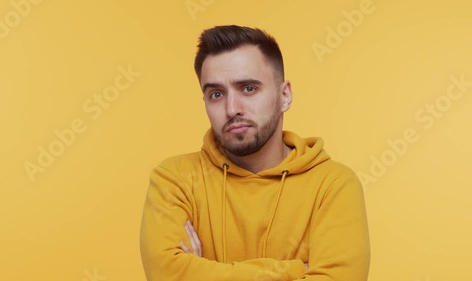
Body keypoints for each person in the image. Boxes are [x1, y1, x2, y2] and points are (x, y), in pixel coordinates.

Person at [140, 25, 370, 281]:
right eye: (216, 94)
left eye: (248, 88)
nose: (232, 108)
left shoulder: (333, 185)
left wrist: (201, 270)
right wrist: (293, 271)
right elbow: (167, 274)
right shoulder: (175, 179)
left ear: (284, 96)